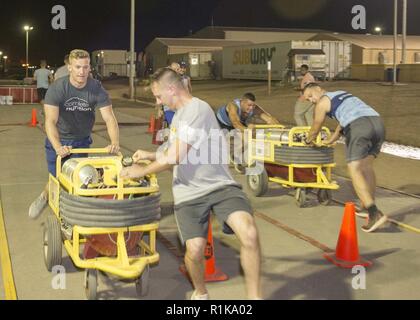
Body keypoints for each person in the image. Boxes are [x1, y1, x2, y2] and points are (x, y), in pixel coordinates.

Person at [120, 67, 262, 300]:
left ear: (171, 89)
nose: (158, 102)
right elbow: (170, 151)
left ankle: (255, 298)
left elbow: (174, 157)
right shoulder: (178, 117)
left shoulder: (197, 109)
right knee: (194, 251)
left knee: (249, 233)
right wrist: (148, 154)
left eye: (158, 96)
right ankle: (200, 291)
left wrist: (140, 172)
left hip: (220, 186)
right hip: (188, 191)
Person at [28, 49, 120, 219]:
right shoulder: (57, 88)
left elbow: (109, 118)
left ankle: (75, 215)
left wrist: (114, 142)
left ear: (89, 68)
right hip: (59, 140)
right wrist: (58, 147)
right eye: (77, 67)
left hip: (82, 141)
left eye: (85, 67)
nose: (81, 72)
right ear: (69, 67)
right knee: (57, 179)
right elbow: (50, 121)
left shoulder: (96, 88)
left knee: (80, 178)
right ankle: (45, 197)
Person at [302, 83, 387, 233]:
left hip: (359, 126)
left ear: (318, 89)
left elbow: (316, 125)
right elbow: (342, 122)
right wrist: (332, 139)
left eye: (310, 96)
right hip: (378, 123)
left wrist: (308, 140)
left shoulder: (322, 102)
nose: (311, 100)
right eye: (308, 99)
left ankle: (374, 213)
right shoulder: (341, 94)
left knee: (354, 168)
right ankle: (367, 206)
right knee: (366, 166)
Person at [216, 92, 279, 173]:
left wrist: (281, 129)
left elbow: (270, 119)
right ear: (242, 102)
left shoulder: (255, 108)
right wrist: (248, 130)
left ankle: (235, 157)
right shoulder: (233, 106)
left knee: (247, 138)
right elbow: (236, 123)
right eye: (249, 105)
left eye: (253, 105)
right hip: (221, 123)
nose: (251, 108)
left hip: (236, 123)